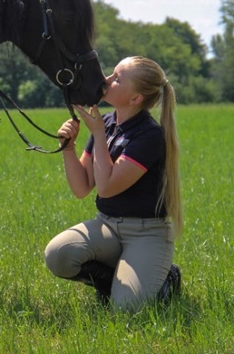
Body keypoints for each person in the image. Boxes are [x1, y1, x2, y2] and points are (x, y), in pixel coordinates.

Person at [45, 56, 183, 312]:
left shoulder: (149, 135)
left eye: (118, 79)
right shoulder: (107, 123)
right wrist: (69, 146)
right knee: (58, 255)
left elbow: (106, 188)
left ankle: (166, 280)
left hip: (146, 233)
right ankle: (114, 282)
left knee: (127, 310)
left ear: (135, 99)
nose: (107, 80)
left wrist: (97, 133)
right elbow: (82, 187)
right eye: (112, 74)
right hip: (107, 225)